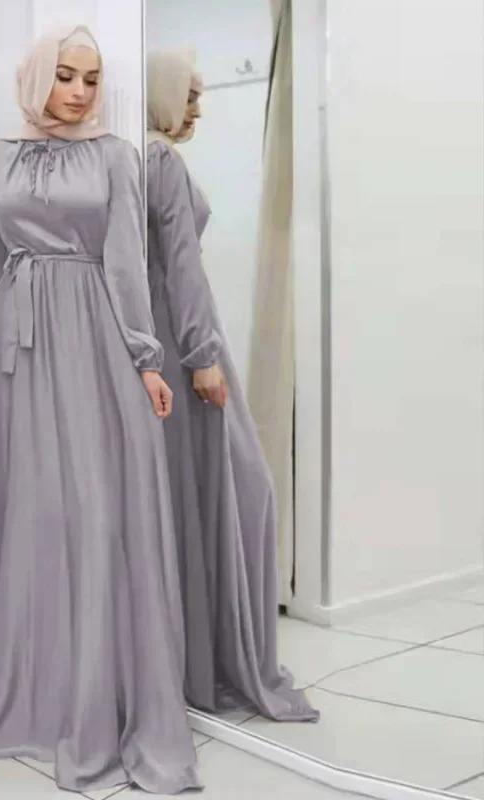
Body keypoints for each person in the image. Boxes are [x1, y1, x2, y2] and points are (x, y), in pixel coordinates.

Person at [0, 26, 204, 795]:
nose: (81, 92)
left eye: (91, 78)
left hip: (93, 337)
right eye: (64, 75)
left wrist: (146, 359)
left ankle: (94, 698)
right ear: (35, 78)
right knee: (31, 513)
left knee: (94, 511)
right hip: (13, 348)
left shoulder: (116, 156)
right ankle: (28, 696)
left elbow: (126, 263)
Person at [145, 49, 319, 722]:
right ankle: (212, 661)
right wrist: (202, 356)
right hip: (184, 342)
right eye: (188, 94)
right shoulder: (158, 160)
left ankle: (193, 657)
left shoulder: (137, 157)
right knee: (238, 489)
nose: (197, 108)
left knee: (194, 495)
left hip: (170, 336)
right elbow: (180, 267)